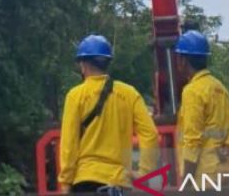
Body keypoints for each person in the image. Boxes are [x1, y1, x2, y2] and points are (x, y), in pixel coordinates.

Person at [59, 34, 161, 193]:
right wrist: (144, 173)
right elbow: (151, 134)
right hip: (119, 183)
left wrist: (65, 183)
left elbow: (69, 144)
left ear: (83, 64)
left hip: (85, 181)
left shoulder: (75, 96)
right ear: (107, 63)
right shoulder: (129, 94)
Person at [172, 31, 229, 190]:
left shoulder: (193, 91)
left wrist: (186, 182)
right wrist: (228, 145)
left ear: (183, 60)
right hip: (223, 176)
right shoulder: (220, 88)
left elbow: (192, 140)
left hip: (202, 179)